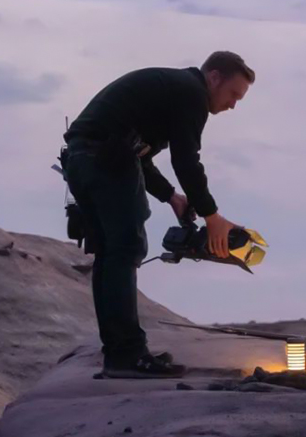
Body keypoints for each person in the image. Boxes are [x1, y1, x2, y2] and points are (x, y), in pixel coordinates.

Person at [63, 51, 254, 378]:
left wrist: (172, 197)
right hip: (103, 159)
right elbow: (186, 160)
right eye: (233, 94)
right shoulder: (191, 93)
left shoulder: (173, 89)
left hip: (84, 158)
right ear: (214, 78)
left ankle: (120, 353)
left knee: (111, 253)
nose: (233, 105)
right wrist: (212, 217)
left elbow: (138, 153)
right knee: (125, 249)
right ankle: (127, 355)